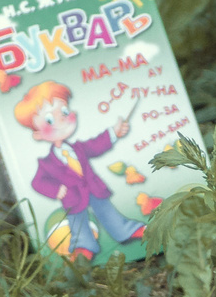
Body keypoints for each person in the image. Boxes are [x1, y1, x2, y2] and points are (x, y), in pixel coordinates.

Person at [14, 79, 144, 261]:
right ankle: (84, 246)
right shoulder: (47, 163)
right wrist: (55, 190)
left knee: (108, 212)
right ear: (38, 134)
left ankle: (126, 230)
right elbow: (37, 182)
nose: (61, 119)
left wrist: (114, 132)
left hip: (94, 188)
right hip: (73, 197)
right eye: (50, 120)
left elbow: (96, 145)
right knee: (78, 222)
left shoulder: (79, 148)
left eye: (64, 112)